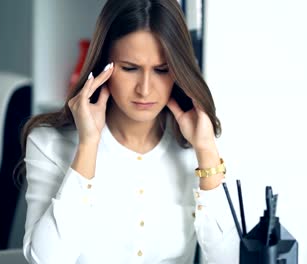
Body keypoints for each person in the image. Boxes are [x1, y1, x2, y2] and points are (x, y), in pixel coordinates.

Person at [20, 0, 239, 263]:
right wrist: (88, 145)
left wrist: (206, 152)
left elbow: (229, 259)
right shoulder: (49, 143)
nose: (145, 89)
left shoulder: (197, 146)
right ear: (104, 66)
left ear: (179, 72)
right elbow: (44, 260)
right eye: (130, 68)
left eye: (161, 70)